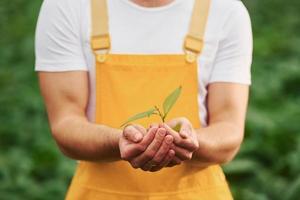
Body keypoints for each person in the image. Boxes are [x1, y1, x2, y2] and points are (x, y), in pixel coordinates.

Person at [35, 0, 252, 199]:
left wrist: (190, 141)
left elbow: (229, 130)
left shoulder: (225, 11)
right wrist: (116, 141)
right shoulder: (68, 6)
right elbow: (66, 123)